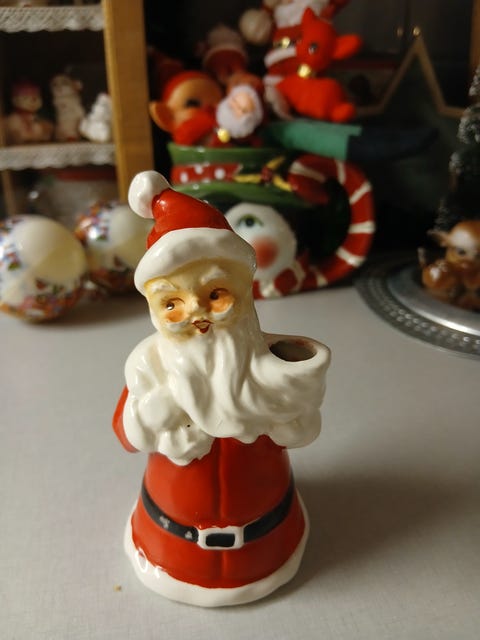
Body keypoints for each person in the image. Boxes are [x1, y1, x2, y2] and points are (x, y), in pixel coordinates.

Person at [113, 170, 330, 606]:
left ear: (242, 293)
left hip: (270, 539)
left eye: (215, 295)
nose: (197, 314)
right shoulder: (150, 369)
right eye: (172, 303)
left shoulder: (268, 366)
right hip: (168, 542)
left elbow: (302, 429)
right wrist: (156, 411)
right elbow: (126, 431)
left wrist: (293, 402)